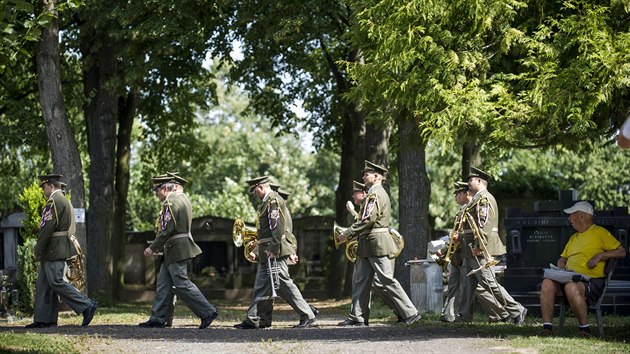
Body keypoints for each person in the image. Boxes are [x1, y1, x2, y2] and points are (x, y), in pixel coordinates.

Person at [337, 161, 421, 326]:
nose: (363, 176)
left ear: (376, 177)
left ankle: (410, 312)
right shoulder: (373, 193)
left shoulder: (375, 194)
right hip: (368, 244)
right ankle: (357, 317)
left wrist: (347, 233)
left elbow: (369, 219)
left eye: (366, 174)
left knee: (386, 280)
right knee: (361, 280)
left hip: (377, 243)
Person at [234, 176, 317, 329]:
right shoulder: (266, 202)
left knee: (283, 283)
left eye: (254, 191)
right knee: (262, 285)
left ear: (260, 187)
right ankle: (257, 319)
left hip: (275, 250)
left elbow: (277, 228)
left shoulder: (273, 200)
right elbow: (265, 233)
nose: (254, 194)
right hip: (268, 249)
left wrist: (273, 248)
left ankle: (307, 314)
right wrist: (259, 250)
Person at [139, 173, 219, 329]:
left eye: (157, 191)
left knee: (181, 283)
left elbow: (167, 229)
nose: (156, 195)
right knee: (163, 285)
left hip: (176, 248)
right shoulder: (182, 199)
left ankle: (208, 311)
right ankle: (158, 318)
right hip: (174, 248)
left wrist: (152, 247)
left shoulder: (172, 202)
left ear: (164, 189)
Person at [539, 201, 626, 337]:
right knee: (547, 283)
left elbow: (622, 252)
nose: (569, 219)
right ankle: (547, 328)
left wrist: (600, 256)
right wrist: (561, 265)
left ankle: (584, 329)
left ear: (581, 216)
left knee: (570, 287)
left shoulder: (600, 233)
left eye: (571, 215)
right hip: (568, 277)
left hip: (589, 282)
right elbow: (563, 258)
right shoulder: (573, 237)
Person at [25, 174, 97, 328]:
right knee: (45, 284)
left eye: (44, 187)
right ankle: (45, 319)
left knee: (56, 281)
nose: (43, 190)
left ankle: (86, 304)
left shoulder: (54, 201)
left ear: (51, 186)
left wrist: (38, 248)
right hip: (56, 247)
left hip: (54, 248)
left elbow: (47, 227)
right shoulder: (63, 200)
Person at [457, 167, 527, 324]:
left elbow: (484, 226)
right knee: (468, 285)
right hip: (471, 249)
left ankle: (517, 310)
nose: (468, 183)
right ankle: (464, 317)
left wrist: (478, 246)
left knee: (489, 284)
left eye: (471, 180)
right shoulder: (477, 199)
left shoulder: (484, 199)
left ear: (480, 181)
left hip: (480, 248)